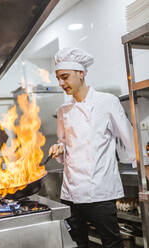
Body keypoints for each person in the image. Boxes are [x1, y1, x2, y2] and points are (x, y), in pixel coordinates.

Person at [48, 47, 137, 248]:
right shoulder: (63, 111)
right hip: (71, 192)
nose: (61, 83)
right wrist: (59, 148)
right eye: (58, 78)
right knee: (78, 243)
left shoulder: (107, 102)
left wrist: (144, 169)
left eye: (65, 77)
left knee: (111, 243)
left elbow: (130, 140)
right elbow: (63, 143)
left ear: (81, 73)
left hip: (100, 191)